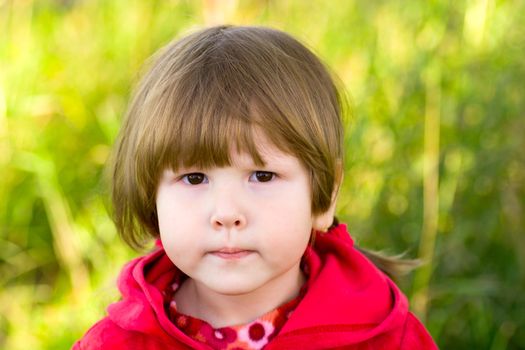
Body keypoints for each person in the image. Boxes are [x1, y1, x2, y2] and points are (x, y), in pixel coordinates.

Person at [73, 25, 437, 349]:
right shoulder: (118, 343)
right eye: (194, 178)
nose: (227, 214)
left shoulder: (383, 337)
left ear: (324, 195)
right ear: (151, 196)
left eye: (262, 176)